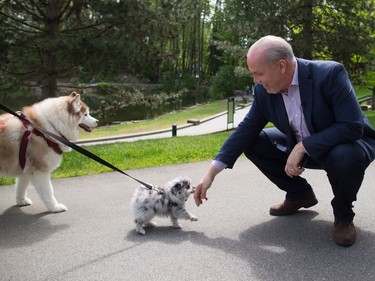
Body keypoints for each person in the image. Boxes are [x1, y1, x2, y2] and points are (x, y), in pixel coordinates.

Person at [194, 35, 375, 247]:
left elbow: (352, 126)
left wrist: (303, 146)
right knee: (252, 141)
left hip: (348, 144)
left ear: (281, 66)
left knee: (344, 155)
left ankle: (343, 216)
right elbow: (246, 130)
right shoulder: (263, 91)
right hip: (303, 147)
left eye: (258, 74)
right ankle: (300, 194)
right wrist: (211, 173)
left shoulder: (329, 74)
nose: (255, 81)